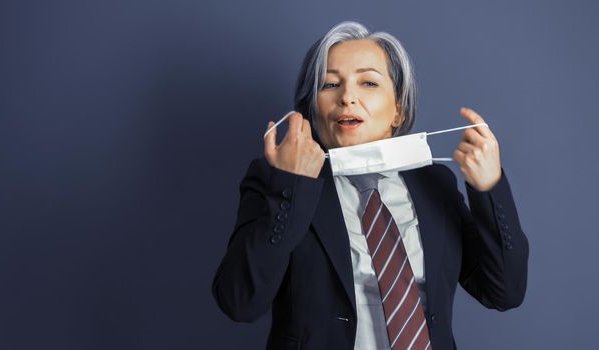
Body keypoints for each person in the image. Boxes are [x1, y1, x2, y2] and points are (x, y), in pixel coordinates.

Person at [211, 21, 528, 350]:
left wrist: (489, 187)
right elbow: (239, 301)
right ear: (310, 111)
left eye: (368, 83)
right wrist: (293, 187)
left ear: (398, 110)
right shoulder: (274, 179)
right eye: (330, 84)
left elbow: (504, 291)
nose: (347, 97)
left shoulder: (435, 183)